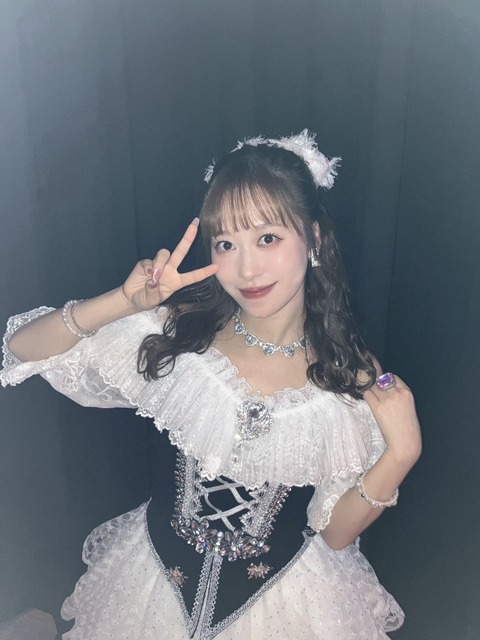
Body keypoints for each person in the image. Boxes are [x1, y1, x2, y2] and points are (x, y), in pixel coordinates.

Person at [1, 130, 422, 639]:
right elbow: (21, 349)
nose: (246, 268)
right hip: (149, 588)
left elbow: (334, 533)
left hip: (289, 603)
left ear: (313, 238)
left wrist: (401, 453)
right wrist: (122, 302)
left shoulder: (350, 373)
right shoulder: (182, 335)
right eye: (226, 243)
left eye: (267, 238)